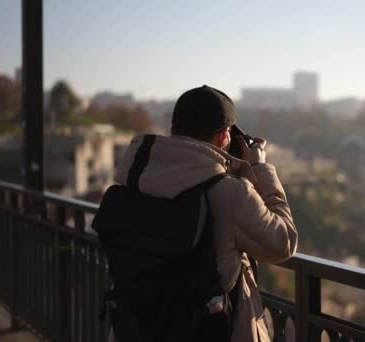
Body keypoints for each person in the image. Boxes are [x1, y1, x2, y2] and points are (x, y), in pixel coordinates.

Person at [111, 85, 298, 342]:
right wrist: (258, 168)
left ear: (174, 128)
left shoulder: (135, 180)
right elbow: (283, 242)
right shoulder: (231, 195)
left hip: (138, 328)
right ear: (223, 136)